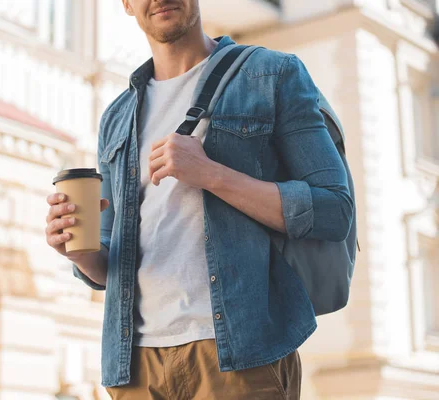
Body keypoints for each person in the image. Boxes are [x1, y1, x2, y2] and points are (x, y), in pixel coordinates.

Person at [45, 1, 354, 398]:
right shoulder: (116, 116)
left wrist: (210, 174)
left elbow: (333, 208)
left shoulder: (271, 75)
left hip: (241, 356)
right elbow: (110, 262)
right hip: (136, 366)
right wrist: (75, 250)